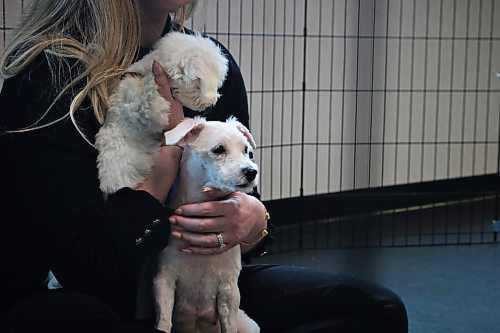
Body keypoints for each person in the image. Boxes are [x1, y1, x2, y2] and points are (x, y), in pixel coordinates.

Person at [0, 1, 408, 332]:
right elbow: (85, 267)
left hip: (196, 283)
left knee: (376, 309)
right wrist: (165, 165)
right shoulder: (47, 72)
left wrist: (253, 222)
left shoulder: (208, 66)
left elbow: (245, 211)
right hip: (84, 297)